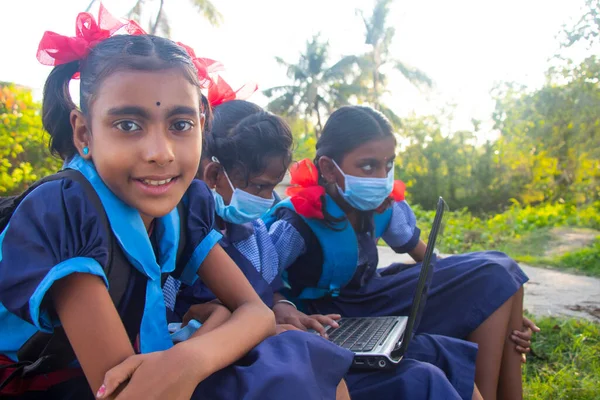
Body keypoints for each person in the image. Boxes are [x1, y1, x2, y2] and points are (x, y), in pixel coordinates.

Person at [0, 8, 349, 399]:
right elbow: (124, 389)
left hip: (150, 364)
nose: (160, 153)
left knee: (306, 354)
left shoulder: (184, 205)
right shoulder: (65, 212)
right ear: (84, 131)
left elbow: (257, 312)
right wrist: (217, 330)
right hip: (53, 381)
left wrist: (192, 357)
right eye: (128, 125)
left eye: (180, 125)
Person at [168, 99, 482, 400]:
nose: (268, 199)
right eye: (261, 187)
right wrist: (270, 327)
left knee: (445, 355)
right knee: (420, 379)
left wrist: (285, 310)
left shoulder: (254, 233)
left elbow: (267, 295)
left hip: (291, 341)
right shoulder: (186, 235)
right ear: (211, 175)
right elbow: (184, 321)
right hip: (255, 361)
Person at [264, 105, 536, 400]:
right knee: (493, 274)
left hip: (371, 296)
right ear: (329, 168)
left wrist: (488, 298)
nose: (382, 177)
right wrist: (286, 307)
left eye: (388, 165)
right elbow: (262, 281)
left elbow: (430, 263)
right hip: (327, 316)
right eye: (368, 166)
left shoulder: (385, 208)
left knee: (498, 268)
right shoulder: (298, 222)